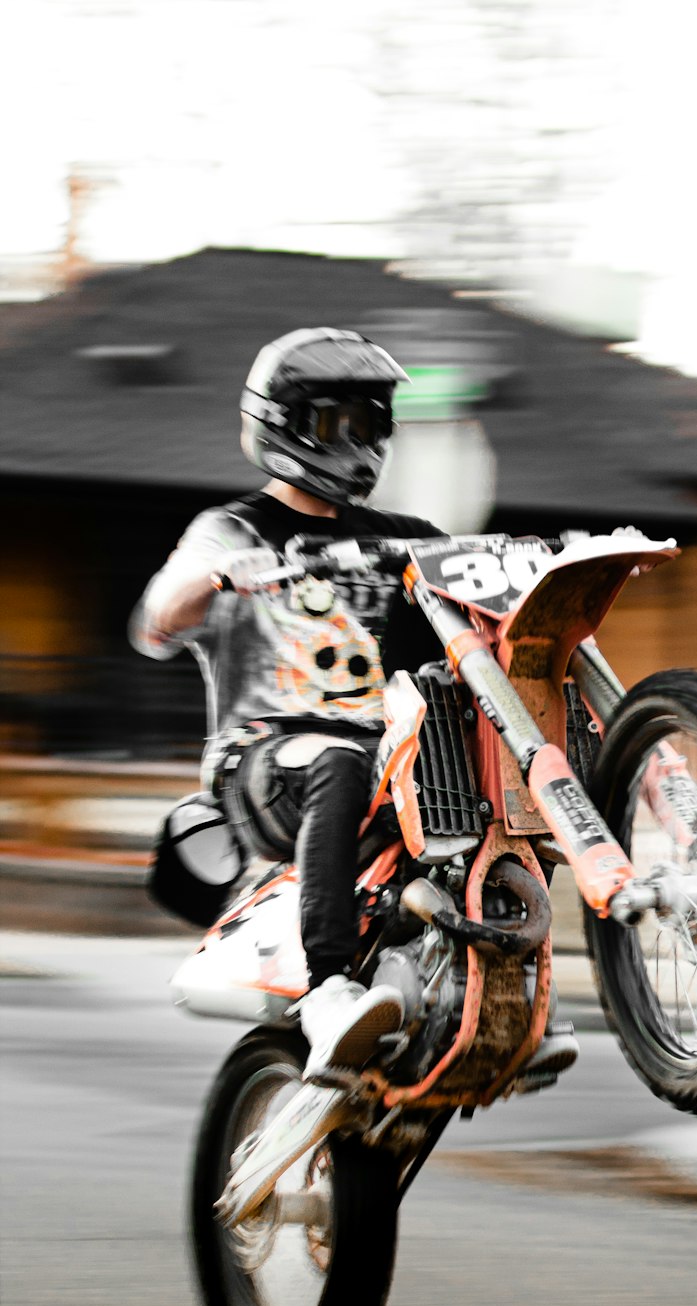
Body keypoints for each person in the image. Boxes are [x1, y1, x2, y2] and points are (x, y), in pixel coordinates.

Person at [131, 326, 578, 1083]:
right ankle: (327, 987)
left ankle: (513, 993)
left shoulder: (406, 539)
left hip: (394, 765)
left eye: (374, 425)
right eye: (342, 424)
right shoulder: (234, 529)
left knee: (510, 769)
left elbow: (482, 598)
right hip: (265, 765)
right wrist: (221, 577)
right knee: (337, 757)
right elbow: (158, 621)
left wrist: (538, 563)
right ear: (287, 424)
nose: (362, 444)